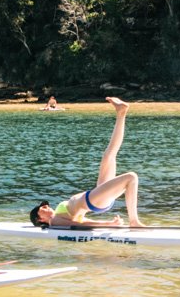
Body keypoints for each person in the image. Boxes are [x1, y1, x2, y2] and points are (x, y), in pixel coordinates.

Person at [29, 97, 145, 228]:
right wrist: (108, 224)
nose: (46, 206)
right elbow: (78, 225)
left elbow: (81, 221)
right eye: (42, 209)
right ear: (40, 220)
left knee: (109, 155)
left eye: (44, 206)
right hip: (94, 201)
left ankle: (121, 114)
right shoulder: (54, 221)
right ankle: (134, 221)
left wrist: (110, 223)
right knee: (131, 177)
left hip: (96, 196)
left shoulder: (59, 216)